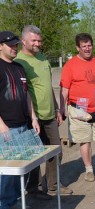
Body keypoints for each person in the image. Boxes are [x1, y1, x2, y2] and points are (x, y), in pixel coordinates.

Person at [15, 25, 73, 197]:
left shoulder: (42, 58)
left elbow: (48, 86)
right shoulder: (19, 62)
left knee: (55, 151)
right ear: (23, 41)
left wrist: (56, 108)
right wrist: (30, 115)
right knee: (34, 155)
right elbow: (23, 92)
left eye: (39, 40)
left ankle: (53, 186)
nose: (38, 43)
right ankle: (34, 189)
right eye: (34, 40)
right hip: (32, 116)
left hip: (50, 114)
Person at [0, 31, 40, 209]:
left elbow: (27, 95)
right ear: (0, 46)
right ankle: (2, 206)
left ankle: (14, 198)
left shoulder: (19, 67)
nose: (14, 48)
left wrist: (33, 118)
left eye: (16, 45)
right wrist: (1, 126)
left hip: (23, 124)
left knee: (20, 166)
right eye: (10, 45)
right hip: (6, 128)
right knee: (7, 169)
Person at [59, 33, 95, 182]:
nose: (87, 48)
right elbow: (65, 89)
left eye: (89, 45)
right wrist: (61, 108)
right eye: (84, 46)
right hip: (79, 109)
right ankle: (89, 169)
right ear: (77, 47)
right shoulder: (70, 65)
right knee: (85, 140)